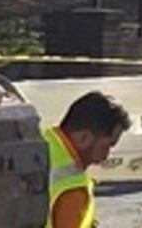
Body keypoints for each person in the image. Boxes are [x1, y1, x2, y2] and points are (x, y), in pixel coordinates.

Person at [47, 90, 131, 228]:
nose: (106, 156)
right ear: (83, 138)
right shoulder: (71, 187)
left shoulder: (42, 143)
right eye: (106, 146)